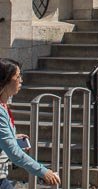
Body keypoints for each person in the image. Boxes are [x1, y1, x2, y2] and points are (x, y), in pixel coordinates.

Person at [0, 59, 61, 187]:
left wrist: (13, 138)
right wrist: (43, 172)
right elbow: (13, 152)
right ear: (5, 81)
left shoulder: (4, 107)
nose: (21, 80)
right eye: (17, 76)